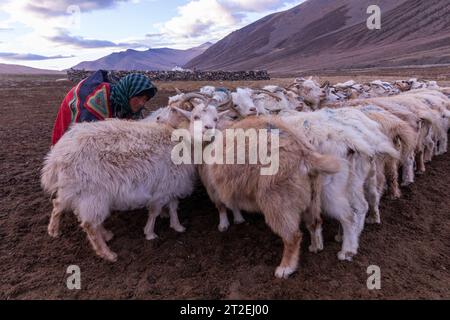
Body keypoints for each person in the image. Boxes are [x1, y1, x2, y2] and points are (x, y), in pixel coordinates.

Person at [51, 70, 157, 145]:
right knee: (71, 143)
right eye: (138, 98)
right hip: (76, 102)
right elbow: (89, 135)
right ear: (129, 93)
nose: (141, 103)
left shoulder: (127, 102)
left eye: (145, 99)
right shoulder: (95, 103)